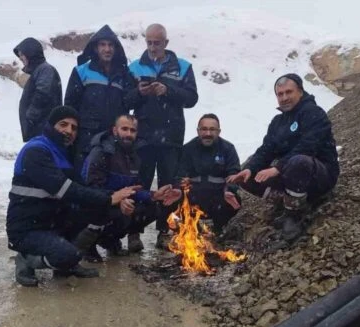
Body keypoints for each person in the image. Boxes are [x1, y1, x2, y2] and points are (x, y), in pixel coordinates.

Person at [6, 106, 137, 286]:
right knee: (67, 254)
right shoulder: (36, 151)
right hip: (28, 228)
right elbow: (66, 190)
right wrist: (109, 198)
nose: (69, 131)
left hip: (53, 221)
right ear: (51, 126)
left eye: (74, 128)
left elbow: (82, 187)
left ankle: (66, 262)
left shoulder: (63, 154)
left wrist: (115, 196)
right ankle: (27, 258)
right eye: (63, 124)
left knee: (102, 212)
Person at [227, 73, 339, 243]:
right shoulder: (277, 122)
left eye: (289, 92)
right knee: (245, 178)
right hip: (291, 174)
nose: (284, 98)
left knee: (299, 161)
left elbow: (309, 146)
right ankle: (290, 201)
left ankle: (294, 215)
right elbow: (266, 150)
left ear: (300, 92)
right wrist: (250, 168)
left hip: (320, 174)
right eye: (280, 94)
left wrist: (278, 168)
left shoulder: (314, 113)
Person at [126, 23, 198, 248]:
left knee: (169, 186)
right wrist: (139, 93)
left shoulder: (183, 67)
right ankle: (134, 232)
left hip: (171, 137)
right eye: (149, 42)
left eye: (157, 43)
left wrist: (168, 91)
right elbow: (125, 101)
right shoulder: (135, 67)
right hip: (144, 138)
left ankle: (165, 231)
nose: (153, 47)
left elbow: (192, 98)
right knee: (140, 184)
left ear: (166, 43)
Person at [82, 115, 172, 258]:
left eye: (133, 130)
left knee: (152, 208)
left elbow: (133, 190)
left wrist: (153, 195)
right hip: (96, 205)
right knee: (117, 213)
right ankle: (89, 245)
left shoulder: (134, 156)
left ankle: (111, 240)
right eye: (124, 129)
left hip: (117, 203)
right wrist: (116, 199)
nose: (129, 134)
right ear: (115, 130)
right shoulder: (100, 152)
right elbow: (89, 189)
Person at [64, 25, 133, 170]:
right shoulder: (81, 71)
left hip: (113, 138)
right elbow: (70, 105)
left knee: (110, 180)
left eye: (110, 45)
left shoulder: (124, 75)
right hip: (86, 138)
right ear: (95, 48)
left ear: (116, 48)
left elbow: (128, 104)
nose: (107, 49)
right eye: (102, 45)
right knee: (84, 177)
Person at [165, 114, 241, 235]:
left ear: (219, 131)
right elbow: (179, 174)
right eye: (204, 129)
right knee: (171, 198)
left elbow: (234, 173)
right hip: (194, 197)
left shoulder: (228, 149)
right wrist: (178, 189)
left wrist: (229, 190)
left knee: (235, 199)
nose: (208, 133)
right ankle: (188, 229)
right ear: (198, 131)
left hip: (218, 198)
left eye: (212, 129)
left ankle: (219, 229)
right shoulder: (188, 149)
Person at [13, 37, 62, 142]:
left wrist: (31, 117)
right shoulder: (40, 70)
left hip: (42, 129)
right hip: (39, 129)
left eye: (22, 54)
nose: (20, 58)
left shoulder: (45, 69)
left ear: (30, 53)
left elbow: (43, 93)